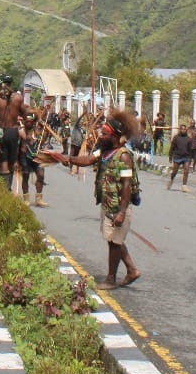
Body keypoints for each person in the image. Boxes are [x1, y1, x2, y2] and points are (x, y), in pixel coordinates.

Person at [54, 109, 142, 290]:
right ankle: (132, 270)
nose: (100, 135)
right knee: (113, 240)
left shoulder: (124, 157)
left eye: (104, 133)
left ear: (115, 136)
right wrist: (68, 158)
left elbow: (126, 187)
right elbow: (87, 160)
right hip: (108, 204)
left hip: (118, 207)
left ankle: (111, 279)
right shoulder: (104, 151)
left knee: (114, 242)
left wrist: (122, 213)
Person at [0, 74, 31, 183]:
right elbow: (27, 115)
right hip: (14, 133)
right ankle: (7, 187)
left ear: (0, 85)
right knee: (12, 161)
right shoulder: (18, 98)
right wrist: (31, 124)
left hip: (1, 132)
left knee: (3, 161)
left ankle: (3, 189)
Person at [19, 114, 48, 207]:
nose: (28, 123)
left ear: (33, 123)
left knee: (41, 175)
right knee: (26, 176)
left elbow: (43, 140)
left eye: (30, 121)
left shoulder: (37, 132)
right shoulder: (21, 132)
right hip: (24, 157)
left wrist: (45, 129)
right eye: (27, 121)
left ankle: (38, 199)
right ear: (24, 122)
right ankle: (26, 199)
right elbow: (16, 147)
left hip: (37, 156)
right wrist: (15, 161)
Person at [166, 124, 194, 192]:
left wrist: (191, 159)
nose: (183, 130)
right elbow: (172, 147)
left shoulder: (189, 139)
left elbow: (190, 150)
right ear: (180, 130)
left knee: (186, 171)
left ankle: (184, 186)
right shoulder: (176, 138)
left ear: (186, 130)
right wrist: (170, 157)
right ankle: (171, 180)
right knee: (175, 171)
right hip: (177, 156)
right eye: (182, 129)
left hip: (186, 157)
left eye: (184, 129)